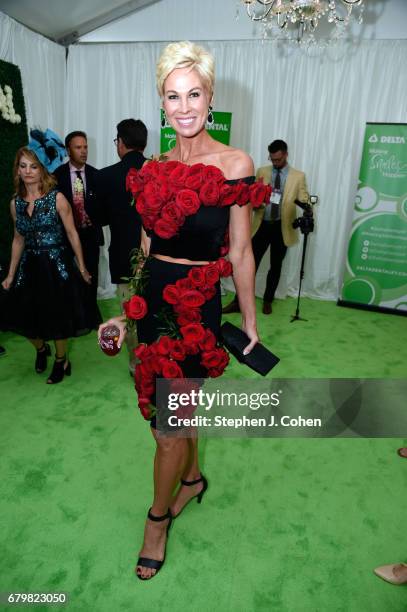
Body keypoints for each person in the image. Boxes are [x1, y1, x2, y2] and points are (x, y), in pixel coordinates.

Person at [99, 41, 269, 581]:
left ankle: (156, 521)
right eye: (173, 96)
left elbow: (240, 252)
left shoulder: (235, 164)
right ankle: (192, 479)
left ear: (211, 97)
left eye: (194, 93)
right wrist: (129, 312)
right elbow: (147, 249)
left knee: (170, 425)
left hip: (196, 310)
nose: (185, 106)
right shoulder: (151, 170)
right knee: (163, 417)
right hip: (154, 305)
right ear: (162, 102)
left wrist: (248, 324)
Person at [1, 144, 99, 384]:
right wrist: (11, 274)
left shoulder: (57, 198)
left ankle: (61, 359)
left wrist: (82, 266)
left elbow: (72, 233)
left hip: (56, 266)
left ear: (42, 169)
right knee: (24, 315)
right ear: (17, 170)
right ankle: (41, 349)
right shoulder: (16, 204)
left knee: (58, 316)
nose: (28, 171)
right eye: (23, 166)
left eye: (33, 166)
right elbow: (18, 239)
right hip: (29, 267)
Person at [88, 119, 148, 375]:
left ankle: (137, 365)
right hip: (160, 257)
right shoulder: (160, 171)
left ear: (121, 143)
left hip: (125, 257)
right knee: (160, 309)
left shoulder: (105, 176)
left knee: (131, 313)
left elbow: (98, 219)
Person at [223, 139, 309, 315]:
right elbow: (251, 197)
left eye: (278, 159)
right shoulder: (262, 171)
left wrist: (307, 207)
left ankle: (268, 300)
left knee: (275, 266)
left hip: (282, 228)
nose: (275, 163)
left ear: (285, 154)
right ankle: (238, 302)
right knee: (247, 266)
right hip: (260, 225)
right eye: (272, 159)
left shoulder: (298, 176)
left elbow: (304, 199)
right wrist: (255, 200)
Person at [54, 131, 103, 308]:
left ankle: (91, 312)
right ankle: (72, 313)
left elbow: (104, 209)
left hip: (90, 235)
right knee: (68, 276)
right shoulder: (55, 177)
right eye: (78, 147)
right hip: (65, 237)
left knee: (91, 274)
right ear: (68, 150)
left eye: (85, 147)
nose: (83, 151)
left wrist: (95, 218)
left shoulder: (97, 175)